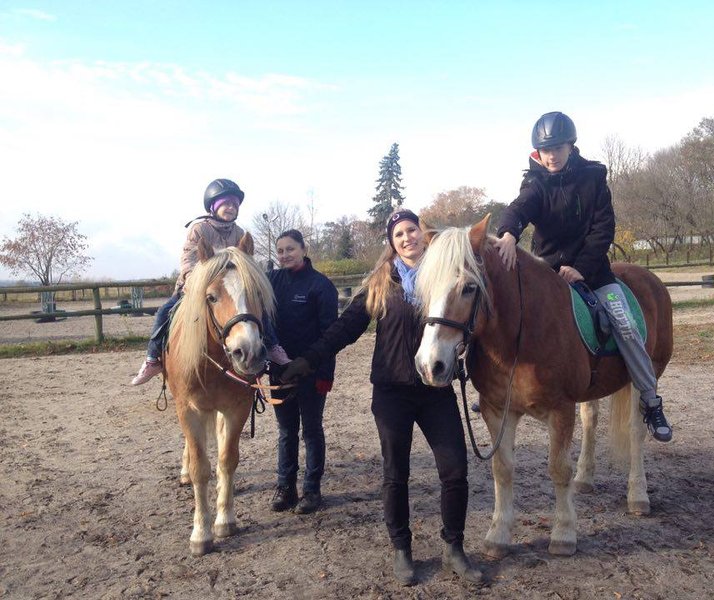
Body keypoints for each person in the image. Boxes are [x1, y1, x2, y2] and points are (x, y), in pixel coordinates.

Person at [280, 210, 483, 586]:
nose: (407, 238)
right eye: (399, 234)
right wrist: (307, 361)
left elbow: (469, 320)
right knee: (396, 474)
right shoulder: (381, 282)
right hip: (392, 392)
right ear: (392, 242)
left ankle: (454, 548)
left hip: (436, 392)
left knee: (455, 470)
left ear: (423, 234)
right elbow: (345, 328)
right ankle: (402, 548)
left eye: (412, 230)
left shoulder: (445, 277)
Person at [494, 111, 673, 442]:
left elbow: (603, 229)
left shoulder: (593, 177)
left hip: (592, 272)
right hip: (546, 273)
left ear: (570, 146)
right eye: (545, 150)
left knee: (625, 324)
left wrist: (582, 268)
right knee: (505, 315)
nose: (551, 156)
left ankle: (650, 399)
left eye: (557, 148)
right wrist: (508, 233)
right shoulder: (535, 182)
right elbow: (519, 208)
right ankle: (498, 387)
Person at [131, 178, 287, 385]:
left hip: (233, 287)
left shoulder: (239, 233)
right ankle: (152, 358)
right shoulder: (199, 229)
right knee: (164, 312)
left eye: (234, 205)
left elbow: (246, 263)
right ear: (213, 207)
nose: (231, 208)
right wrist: (191, 280)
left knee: (259, 310)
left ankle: (272, 346)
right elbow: (188, 259)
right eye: (226, 204)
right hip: (198, 286)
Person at [267, 229, 339, 515]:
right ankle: (286, 487)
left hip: (311, 371)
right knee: (286, 431)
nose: (285, 255)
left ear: (303, 249)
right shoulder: (271, 281)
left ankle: (311, 489)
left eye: (290, 249)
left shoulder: (321, 286)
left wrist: (325, 374)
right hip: (280, 370)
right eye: (280, 251)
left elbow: (330, 335)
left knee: (311, 430)